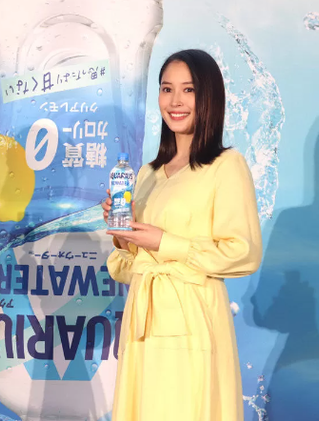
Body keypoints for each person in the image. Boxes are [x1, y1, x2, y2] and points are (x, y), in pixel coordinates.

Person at [102, 49, 263, 420]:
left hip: (191, 319)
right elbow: (126, 269)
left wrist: (164, 242)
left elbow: (244, 252)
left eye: (188, 90)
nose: (175, 101)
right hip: (142, 322)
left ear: (209, 97)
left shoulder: (226, 165)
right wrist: (124, 236)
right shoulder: (148, 173)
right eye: (166, 89)